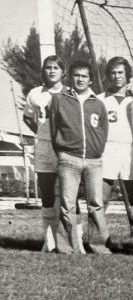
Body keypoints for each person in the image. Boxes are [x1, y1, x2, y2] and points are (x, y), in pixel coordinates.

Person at [48, 60, 111, 254]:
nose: (80, 79)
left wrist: (96, 150)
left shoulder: (98, 103)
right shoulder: (59, 99)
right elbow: (53, 128)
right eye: (77, 75)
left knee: (96, 204)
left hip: (93, 161)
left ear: (90, 79)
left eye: (84, 76)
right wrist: (62, 152)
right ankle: (66, 247)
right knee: (67, 205)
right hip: (69, 159)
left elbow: (103, 130)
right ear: (70, 77)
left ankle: (98, 246)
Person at [23, 55, 65, 252]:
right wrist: (41, 132)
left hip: (66, 149)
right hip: (44, 148)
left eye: (56, 67)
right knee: (47, 194)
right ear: (44, 71)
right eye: (48, 67)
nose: (52, 71)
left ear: (63, 71)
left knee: (68, 196)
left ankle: (72, 239)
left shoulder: (70, 93)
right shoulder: (35, 94)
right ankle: (49, 240)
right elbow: (28, 117)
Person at [100, 57, 133, 208]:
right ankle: (96, 232)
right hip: (107, 150)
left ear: (127, 75)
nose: (117, 76)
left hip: (130, 151)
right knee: (100, 199)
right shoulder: (99, 100)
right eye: (113, 73)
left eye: (120, 72)